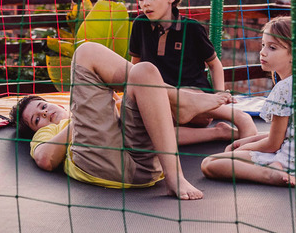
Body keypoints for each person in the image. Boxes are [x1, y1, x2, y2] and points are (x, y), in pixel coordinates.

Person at [12, 40, 233, 200]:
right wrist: (76, 120)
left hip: (146, 170)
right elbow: (44, 158)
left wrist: (216, 133)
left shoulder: (89, 111)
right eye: (36, 120)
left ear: (54, 104)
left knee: (144, 72)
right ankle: (178, 97)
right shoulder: (50, 131)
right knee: (86, 52)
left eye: (43, 107)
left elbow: (165, 132)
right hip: (100, 164)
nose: (44, 114)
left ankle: (174, 176)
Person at [201, 16, 296, 186]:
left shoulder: (284, 89)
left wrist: (245, 149)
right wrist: (245, 141)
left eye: (272, 47)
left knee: (210, 163)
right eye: (263, 45)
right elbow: (289, 132)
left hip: (289, 160)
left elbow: (273, 144)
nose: (262, 52)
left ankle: (270, 173)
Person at [128, 0, 256, 144]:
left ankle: (240, 117)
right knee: (148, 134)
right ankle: (219, 133)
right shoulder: (139, 25)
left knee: (182, 98)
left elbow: (214, 64)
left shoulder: (192, 29)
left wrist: (218, 97)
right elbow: (135, 66)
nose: (145, 3)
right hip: (162, 100)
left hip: (196, 99)